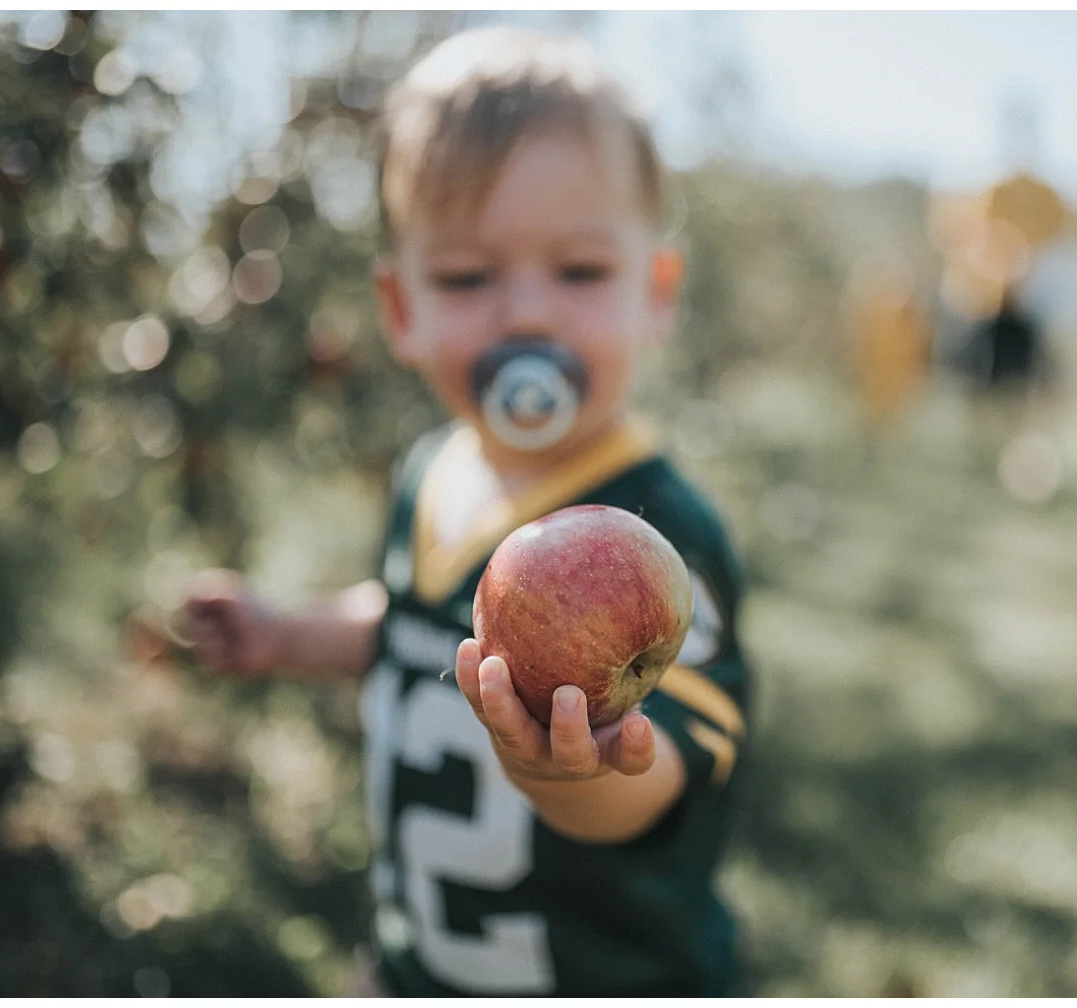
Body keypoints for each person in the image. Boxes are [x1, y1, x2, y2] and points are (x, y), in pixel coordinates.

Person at [179, 27, 752, 997]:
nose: (526, 314)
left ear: (655, 296)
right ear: (402, 310)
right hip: (425, 964)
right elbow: (414, 625)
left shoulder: (658, 536)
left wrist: (572, 773)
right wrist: (289, 634)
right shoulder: (430, 475)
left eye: (578, 272)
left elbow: (673, 773)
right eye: (466, 278)